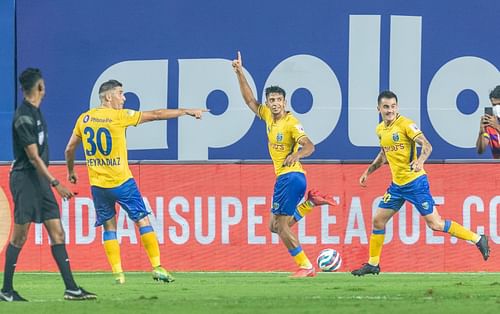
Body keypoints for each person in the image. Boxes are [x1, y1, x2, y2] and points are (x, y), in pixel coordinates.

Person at [64, 79, 207, 284]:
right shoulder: (120, 116)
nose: (124, 98)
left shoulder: (84, 119)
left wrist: (71, 171)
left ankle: (118, 274)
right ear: (108, 97)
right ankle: (157, 267)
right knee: (142, 220)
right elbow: (156, 115)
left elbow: (69, 148)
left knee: (109, 227)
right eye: (120, 93)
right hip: (122, 183)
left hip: (98, 186)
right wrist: (186, 111)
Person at [351, 90, 490, 276]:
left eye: (393, 106)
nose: (390, 110)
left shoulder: (406, 125)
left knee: (436, 224)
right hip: (397, 186)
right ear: (378, 109)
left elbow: (427, 145)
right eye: (386, 107)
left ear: (397, 107)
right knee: (378, 221)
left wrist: (420, 161)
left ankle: (478, 238)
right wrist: (368, 172)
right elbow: (384, 155)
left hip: (415, 183)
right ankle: (373, 264)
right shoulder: (380, 130)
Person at [232, 51, 336, 277]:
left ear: (285, 102)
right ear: (268, 103)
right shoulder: (268, 116)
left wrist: (298, 154)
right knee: (274, 226)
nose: (276, 104)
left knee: (280, 226)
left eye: (279, 100)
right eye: (272, 100)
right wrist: (240, 72)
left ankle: (306, 266)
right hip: (287, 178)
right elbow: (249, 100)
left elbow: (310, 146)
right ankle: (310, 203)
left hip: (291, 176)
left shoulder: (291, 123)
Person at [0, 68, 96, 301]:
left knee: (58, 232)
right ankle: (6, 291)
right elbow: (32, 157)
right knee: (20, 237)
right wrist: (56, 182)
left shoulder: (36, 113)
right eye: (43, 84)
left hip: (39, 181)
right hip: (25, 180)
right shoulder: (23, 116)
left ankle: (72, 289)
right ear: (40, 87)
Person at [476, 85, 500, 158]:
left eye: (499, 104)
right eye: (494, 105)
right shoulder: (490, 123)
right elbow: (480, 150)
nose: (496, 108)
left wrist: (497, 127)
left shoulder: (495, 124)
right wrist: (481, 132)